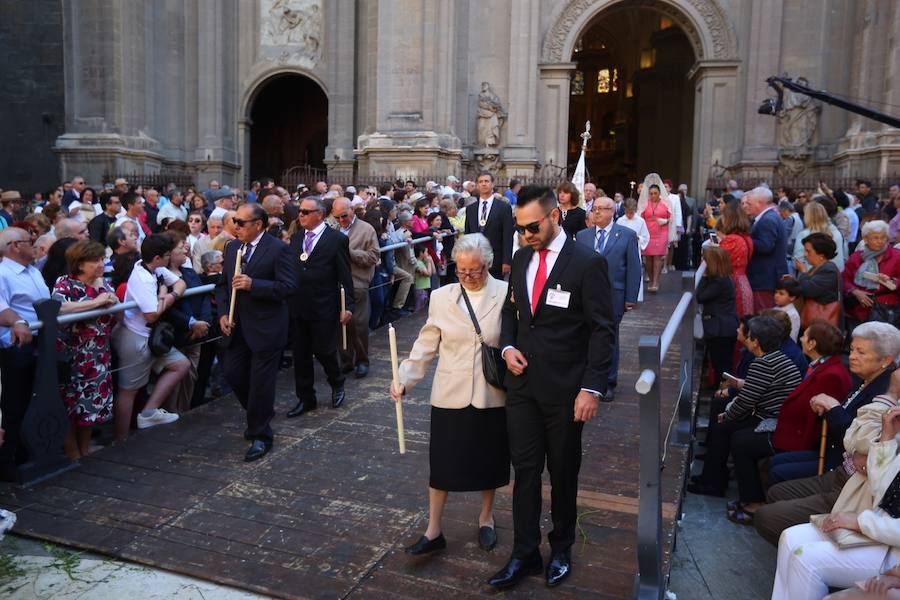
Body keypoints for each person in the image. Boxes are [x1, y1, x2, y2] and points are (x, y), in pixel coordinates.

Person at [490, 185, 615, 589]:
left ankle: (560, 548)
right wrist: (507, 347)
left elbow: (602, 330)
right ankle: (524, 552)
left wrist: (591, 388)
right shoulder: (522, 255)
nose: (525, 235)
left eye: (531, 227)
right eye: (519, 228)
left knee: (563, 472)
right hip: (522, 388)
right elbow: (513, 312)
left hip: (566, 390)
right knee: (525, 471)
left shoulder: (587, 262)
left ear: (554, 216)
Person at [391, 234, 510, 556]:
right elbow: (426, 344)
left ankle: (486, 518)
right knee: (442, 465)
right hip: (449, 392)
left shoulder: (505, 293)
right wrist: (404, 379)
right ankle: (433, 529)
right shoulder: (442, 297)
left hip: (491, 393)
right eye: (462, 271)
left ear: (488, 264)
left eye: (476, 270)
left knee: (490, 461)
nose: (469, 276)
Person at [754, 321, 900, 546]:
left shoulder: (884, 392)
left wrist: (834, 409)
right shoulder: (864, 381)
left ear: (886, 361)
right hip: (843, 470)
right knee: (776, 486)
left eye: (861, 352)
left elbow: (858, 442)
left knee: (769, 509)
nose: (852, 356)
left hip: (854, 485)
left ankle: (802, 551)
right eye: (852, 349)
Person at [771, 405, 900, 600]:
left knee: (805, 559)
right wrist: (887, 438)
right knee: (790, 538)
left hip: (892, 549)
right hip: (879, 533)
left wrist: (859, 523)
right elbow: (880, 490)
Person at [215, 203, 296, 461]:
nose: (235, 227)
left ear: (258, 225)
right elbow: (222, 285)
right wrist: (222, 314)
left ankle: (260, 434)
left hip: (267, 327)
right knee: (233, 373)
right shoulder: (232, 248)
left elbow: (288, 287)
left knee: (262, 383)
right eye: (234, 222)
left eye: (241, 222)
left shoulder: (278, 249)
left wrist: (254, 285)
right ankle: (259, 413)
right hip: (237, 326)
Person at [689, 315, 802, 498]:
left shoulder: (763, 363)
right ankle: (714, 480)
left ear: (755, 342)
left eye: (748, 336)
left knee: (724, 426)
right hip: (774, 415)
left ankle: (715, 484)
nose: (746, 339)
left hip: (770, 419)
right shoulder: (777, 357)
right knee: (725, 423)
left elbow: (746, 401)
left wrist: (727, 415)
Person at [286, 196, 354, 418]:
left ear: (320, 214)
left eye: (306, 212)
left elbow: (345, 276)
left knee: (324, 350)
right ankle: (306, 398)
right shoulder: (296, 239)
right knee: (301, 354)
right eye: (300, 211)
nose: (301, 215)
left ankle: (337, 382)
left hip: (325, 305)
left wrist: (348, 306)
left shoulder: (336, 240)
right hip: (298, 305)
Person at [52, 240, 118, 458]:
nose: (101, 264)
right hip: (74, 353)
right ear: (80, 264)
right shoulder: (65, 283)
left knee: (91, 407)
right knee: (70, 404)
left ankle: (85, 449)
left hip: (99, 354)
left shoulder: (103, 283)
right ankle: (73, 453)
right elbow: (59, 308)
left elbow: (117, 309)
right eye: (95, 260)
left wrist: (111, 299)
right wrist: (97, 302)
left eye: (102, 259)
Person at [765, 321, 853, 485]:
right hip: (792, 432)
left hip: (801, 439)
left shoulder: (831, 375)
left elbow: (817, 416)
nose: (801, 339)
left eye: (805, 336)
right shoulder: (819, 365)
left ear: (812, 344)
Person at [576, 196, 641, 400]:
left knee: (610, 338)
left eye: (602, 209)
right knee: (585, 336)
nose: (596, 212)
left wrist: (631, 296)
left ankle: (608, 381)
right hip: (585, 296)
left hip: (614, 294)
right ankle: (587, 379)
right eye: (594, 209)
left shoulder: (626, 235)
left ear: (613, 211)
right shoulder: (583, 235)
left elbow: (634, 267)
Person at [0, 228, 49, 481]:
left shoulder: (33, 271)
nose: (35, 244)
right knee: (14, 405)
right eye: (30, 241)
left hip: (42, 344)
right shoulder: (3, 274)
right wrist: (18, 322)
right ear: (14, 246)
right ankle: (8, 461)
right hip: (17, 348)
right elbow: (2, 309)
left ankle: (32, 452)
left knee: (37, 399)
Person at [333, 196, 380, 379]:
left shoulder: (366, 229)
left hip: (358, 282)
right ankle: (346, 360)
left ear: (352, 210)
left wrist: (350, 253)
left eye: (344, 216)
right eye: (337, 217)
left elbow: (374, 256)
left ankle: (362, 360)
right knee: (341, 324)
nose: (341, 220)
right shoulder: (333, 228)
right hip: (337, 283)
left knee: (358, 324)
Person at [696, 246, 740, 387]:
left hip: (720, 329)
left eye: (705, 260)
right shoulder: (723, 278)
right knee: (722, 365)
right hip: (724, 327)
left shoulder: (719, 281)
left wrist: (702, 277)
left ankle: (722, 393)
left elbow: (700, 296)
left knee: (721, 366)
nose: (702, 262)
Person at [844, 220, 900, 325]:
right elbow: (845, 279)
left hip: (886, 309)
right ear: (865, 239)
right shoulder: (856, 257)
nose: (880, 241)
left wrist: (892, 282)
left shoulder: (897, 256)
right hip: (859, 309)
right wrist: (855, 291)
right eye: (875, 238)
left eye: (883, 237)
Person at [745, 186, 789, 312]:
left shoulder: (768, 220)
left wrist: (744, 241)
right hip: (765, 277)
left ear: (760, 203)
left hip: (764, 278)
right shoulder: (768, 217)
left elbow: (765, 246)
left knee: (764, 314)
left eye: (749, 203)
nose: (747, 206)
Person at [464, 171, 513, 279]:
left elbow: (508, 236)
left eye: (486, 181)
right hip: (475, 259)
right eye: (480, 182)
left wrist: (506, 261)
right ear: (477, 185)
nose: (484, 184)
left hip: (496, 259)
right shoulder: (471, 209)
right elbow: (467, 235)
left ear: (492, 184)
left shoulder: (503, 207)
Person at [714, 201, 755, 318]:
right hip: (743, 282)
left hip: (732, 285)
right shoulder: (746, 237)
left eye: (723, 215)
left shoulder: (732, 240)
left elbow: (716, 262)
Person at [637, 176, 671, 292]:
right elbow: (640, 218)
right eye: (651, 193)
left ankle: (655, 281)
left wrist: (665, 221)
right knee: (648, 258)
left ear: (659, 193)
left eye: (655, 193)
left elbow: (672, 218)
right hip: (648, 232)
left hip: (662, 231)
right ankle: (651, 279)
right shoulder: (644, 204)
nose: (653, 195)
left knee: (657, 257)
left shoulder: (665, 204)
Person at [793, 201, 846, 271]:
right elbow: (842, 258)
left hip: (810, 277)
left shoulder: (804, 235)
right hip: (833, 275)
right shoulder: (836, 233)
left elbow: (798, 262)